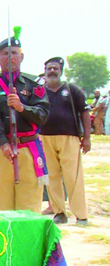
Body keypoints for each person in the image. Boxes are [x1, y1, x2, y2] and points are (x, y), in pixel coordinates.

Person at [0, 27, 49, 213]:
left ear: (21, 57)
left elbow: (42, 115)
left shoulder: (34, 84)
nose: (10, 58)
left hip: (28, 148)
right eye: (5, 54)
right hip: (1, 150)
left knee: (30, 205)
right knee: (3, 204)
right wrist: (3, 144)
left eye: (15, 54)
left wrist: (21, 107)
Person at [40, 57, 91, 226]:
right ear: (45, 71)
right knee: (52, 177)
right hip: (45, 138)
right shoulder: (40, 92)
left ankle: (81, 215)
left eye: (55, 68)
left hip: (70, 137)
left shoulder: (72, 90)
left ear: (61, 71)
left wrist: (87, 138)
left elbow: (84, 112)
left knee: (73, 177)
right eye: (49, 68)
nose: (52, 71)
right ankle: (59, 212)